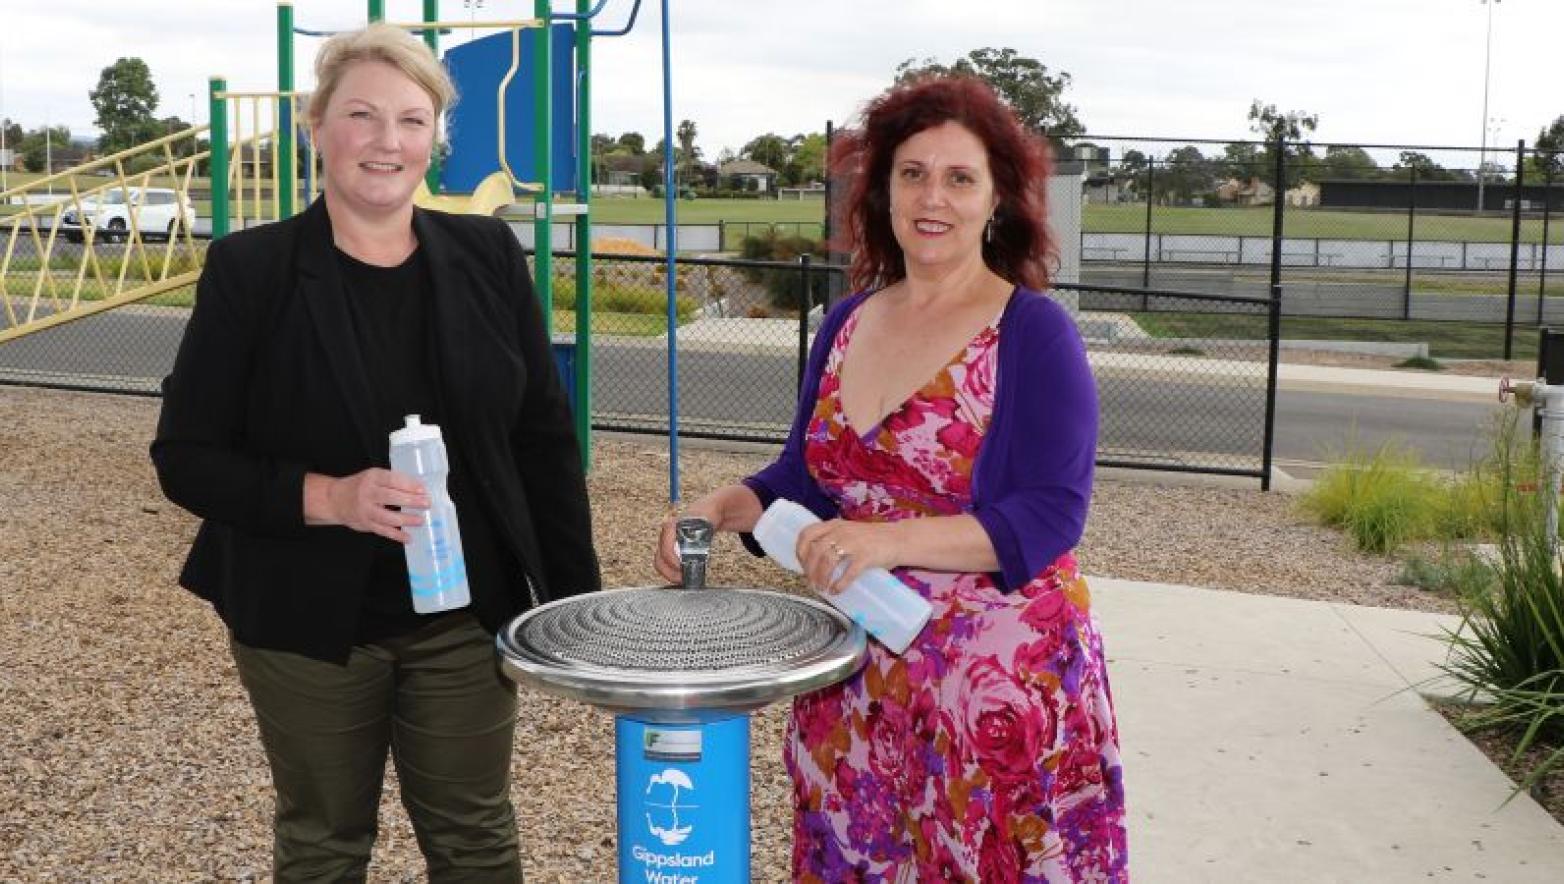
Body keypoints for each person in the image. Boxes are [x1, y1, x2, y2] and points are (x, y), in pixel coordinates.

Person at [151, 23, 598, 882]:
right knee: (324, 840)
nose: (387, 142)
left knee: (474, 837)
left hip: (465, 617)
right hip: (305, 619)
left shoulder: (487, 256)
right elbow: (187, 456)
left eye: (411, 119)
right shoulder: (252, 269)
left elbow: (543, 441)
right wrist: (331, 496)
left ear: (436, 138)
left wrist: (573, 609)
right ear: (315, 127)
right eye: (361, 115)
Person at [654, 75, 1126, 881]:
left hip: (996, 695)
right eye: (912, 173)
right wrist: (718, 507)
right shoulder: (845, 322)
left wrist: (884, 542)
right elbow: (803, 476)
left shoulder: (1033, 331)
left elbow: (1050, 516)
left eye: (958, 176)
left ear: (998, 199)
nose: (931, 196)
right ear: (882, 191)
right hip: (855, 678)